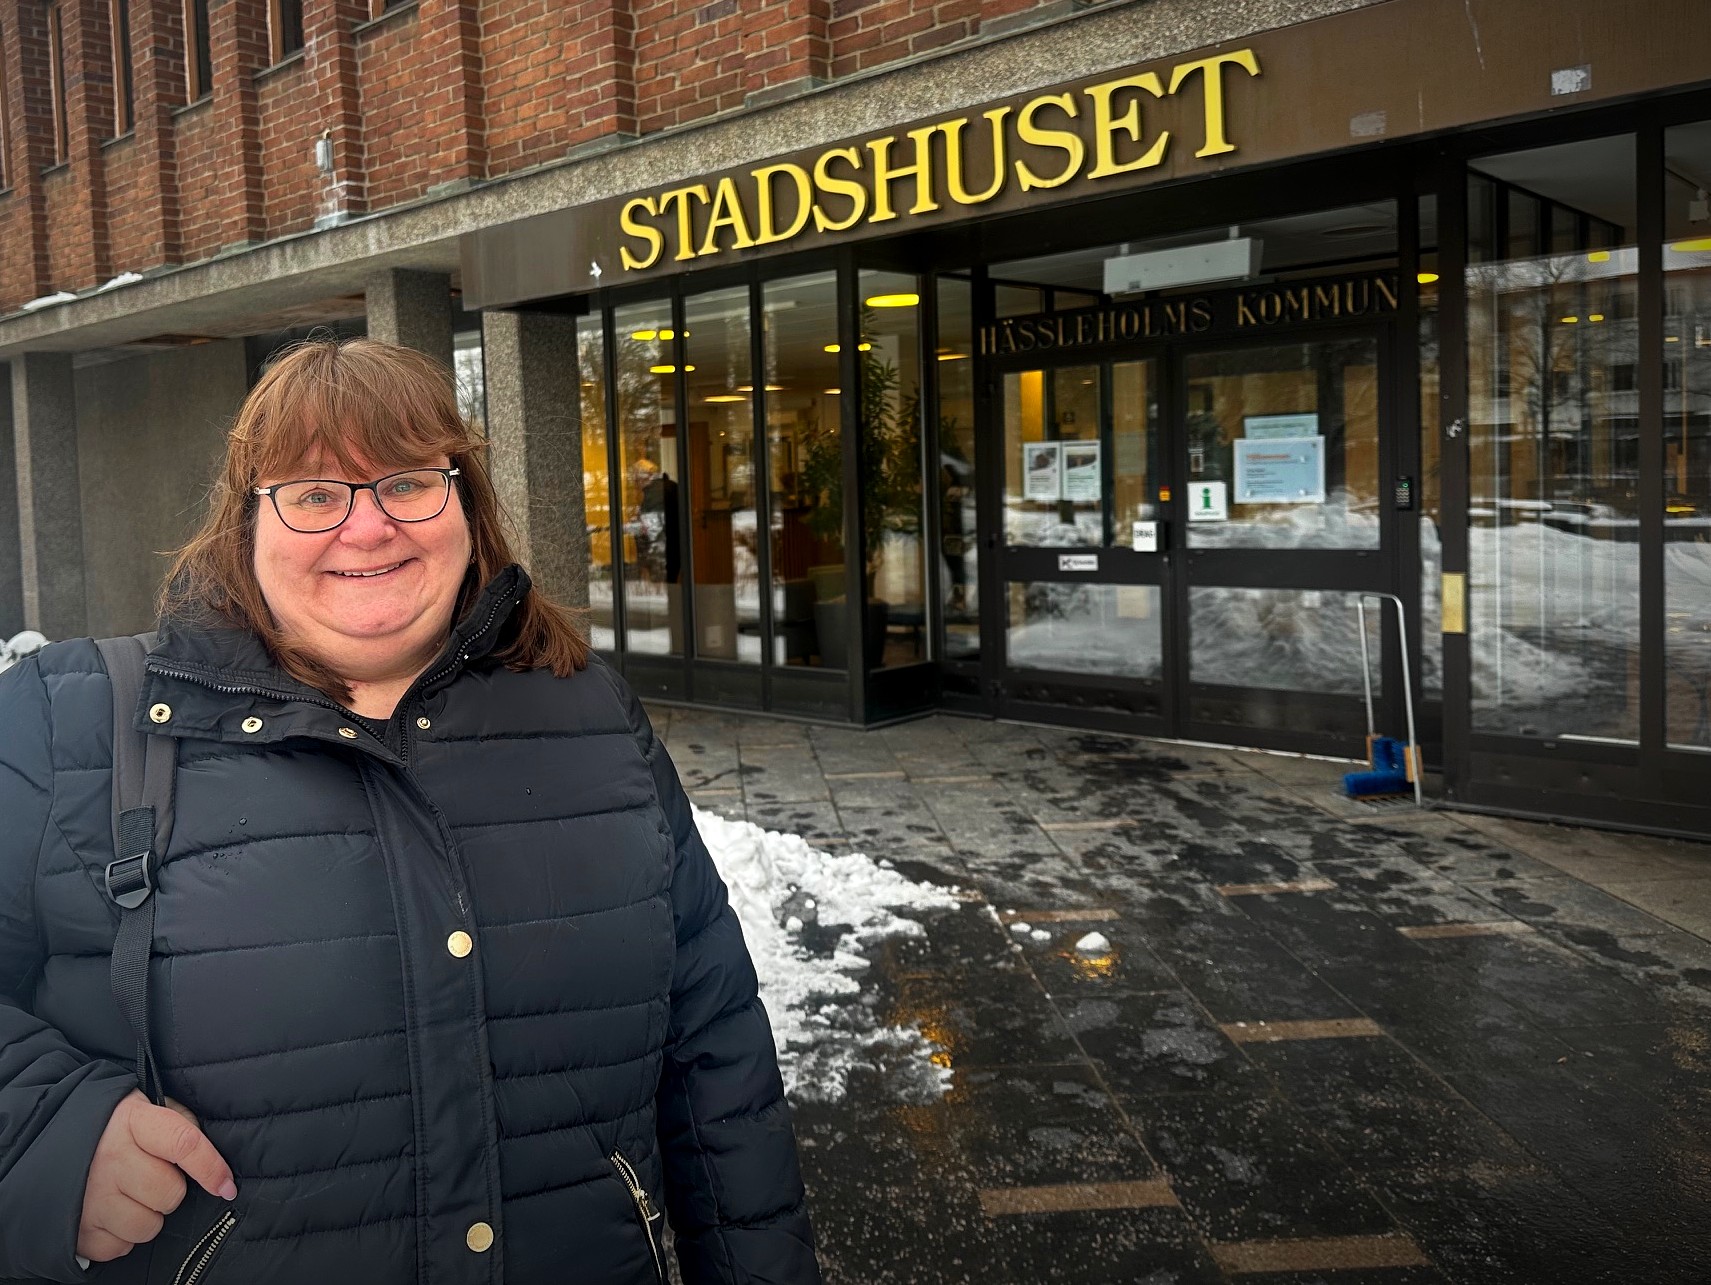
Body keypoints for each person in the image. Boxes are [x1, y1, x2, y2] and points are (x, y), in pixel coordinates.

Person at [0, 339, 821, 1284]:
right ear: (246, 522)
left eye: (406, 482)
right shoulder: (67, 720)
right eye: (313, 492)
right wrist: (43, 1130)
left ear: (464, 502)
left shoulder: (591, 715)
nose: (367, 527)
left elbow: (714, 1049)